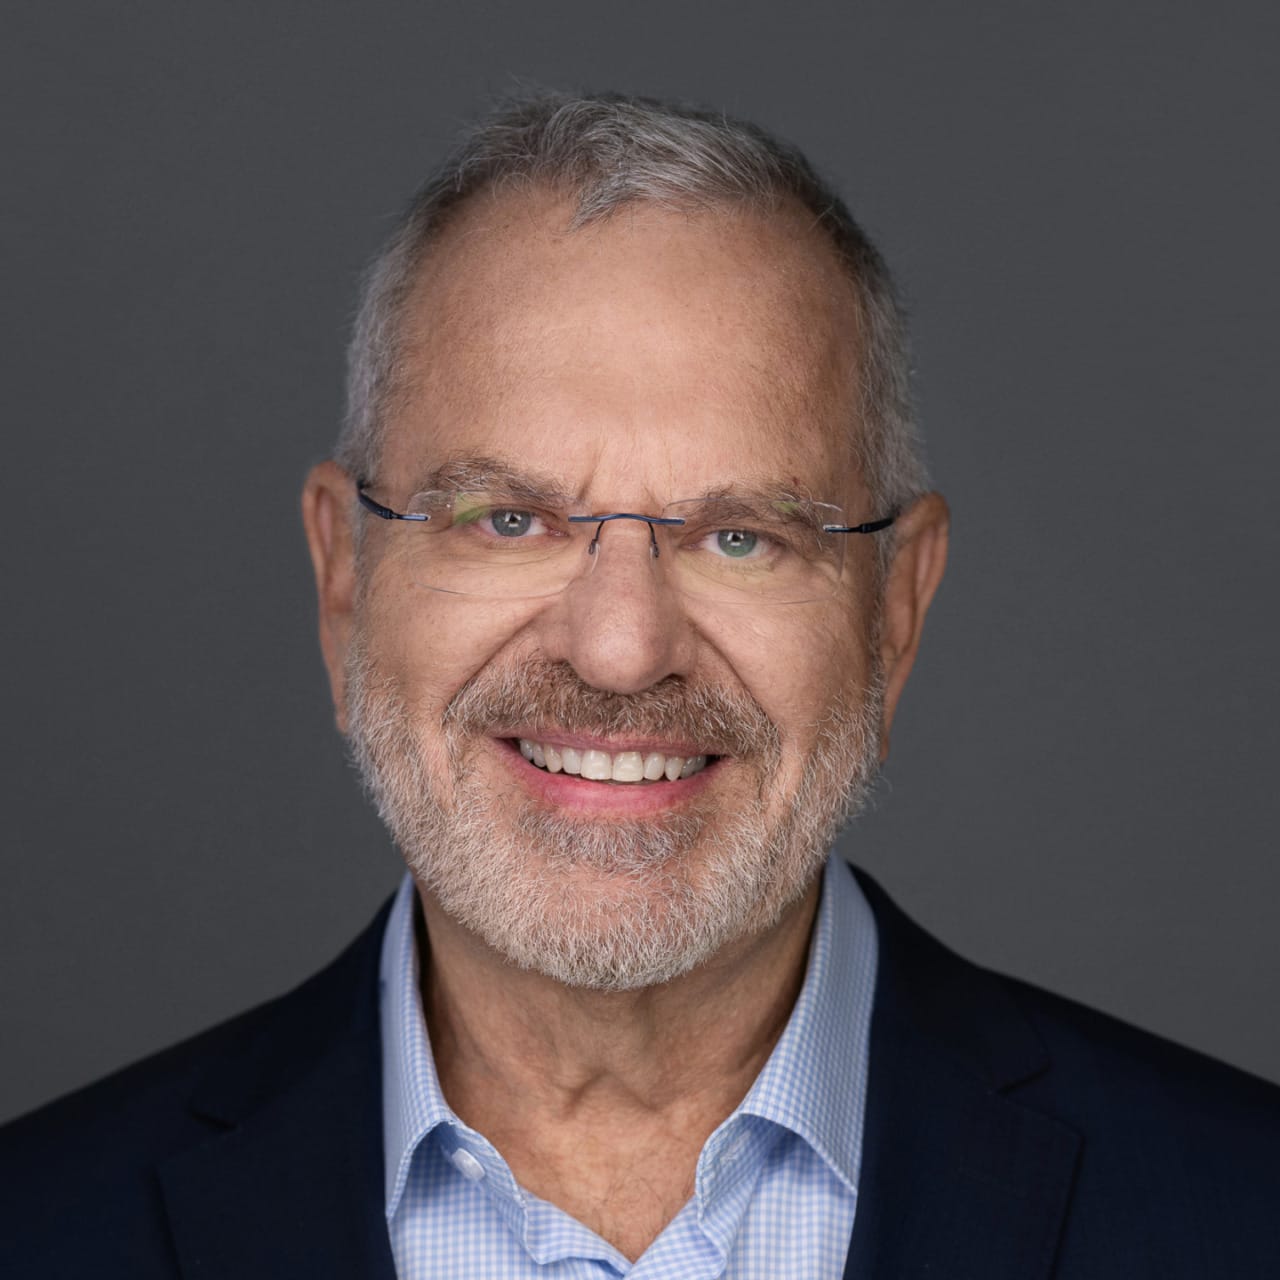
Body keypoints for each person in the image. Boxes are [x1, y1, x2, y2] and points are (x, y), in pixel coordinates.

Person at [2, 90, 1278, 1279]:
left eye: (740, 536)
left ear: (893, 610)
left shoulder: (1240, 1210)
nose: (619, 648)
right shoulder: (45, 1224)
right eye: (508, 519)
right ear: (345, 579)